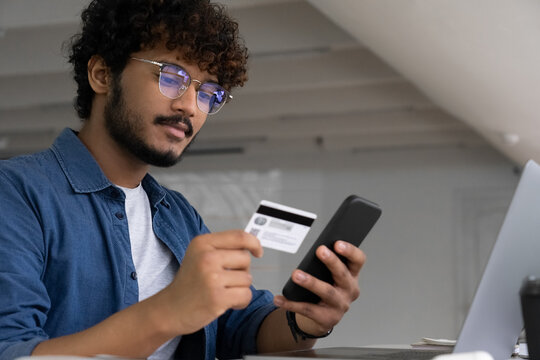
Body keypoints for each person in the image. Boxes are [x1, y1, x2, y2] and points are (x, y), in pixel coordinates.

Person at [0, 0, 366, 359]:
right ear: (102, 75)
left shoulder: (178, 216)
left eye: (208, 92)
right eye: (171, 76)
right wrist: (169, 311)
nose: (190, 106)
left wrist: (306, 319)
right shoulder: (16, 193)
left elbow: (244, 329)